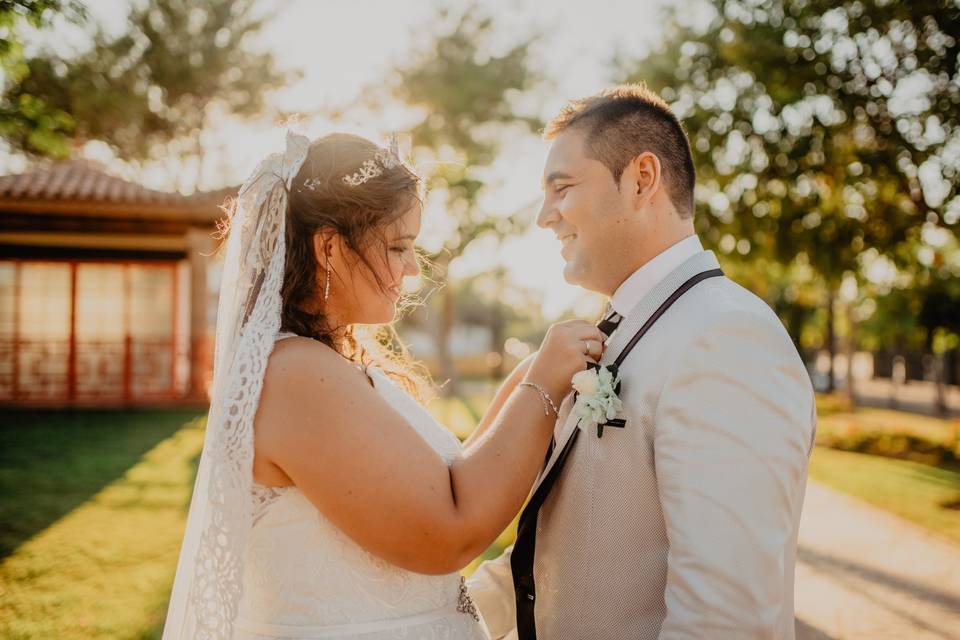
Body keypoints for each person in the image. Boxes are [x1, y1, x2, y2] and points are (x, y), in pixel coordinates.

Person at [162, 131, 607, 639]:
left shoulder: (328, 363)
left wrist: (531, 375)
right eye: (398, 246)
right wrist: (545, 379)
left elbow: (454, 476)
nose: (413, 268)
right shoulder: (296, 376)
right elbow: (448, 530)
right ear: (329, 246)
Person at [468, 84, 817, 639]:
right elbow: (552, 563)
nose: (543, 217)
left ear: (641, 180)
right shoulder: (626, 327)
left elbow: (723, 621)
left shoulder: (725, 337)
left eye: (562, 188)